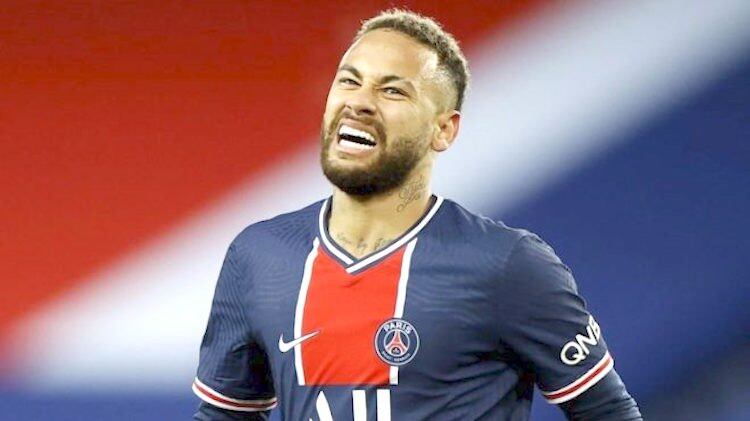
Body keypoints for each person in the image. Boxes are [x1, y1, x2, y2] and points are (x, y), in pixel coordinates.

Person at [192, 9, 642, 421]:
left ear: (443, 130)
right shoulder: (259, 256)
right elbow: (224, 417)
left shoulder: (508, 265)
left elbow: (608, 413)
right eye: (349, 81)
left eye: (392, 90)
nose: (360, 101)